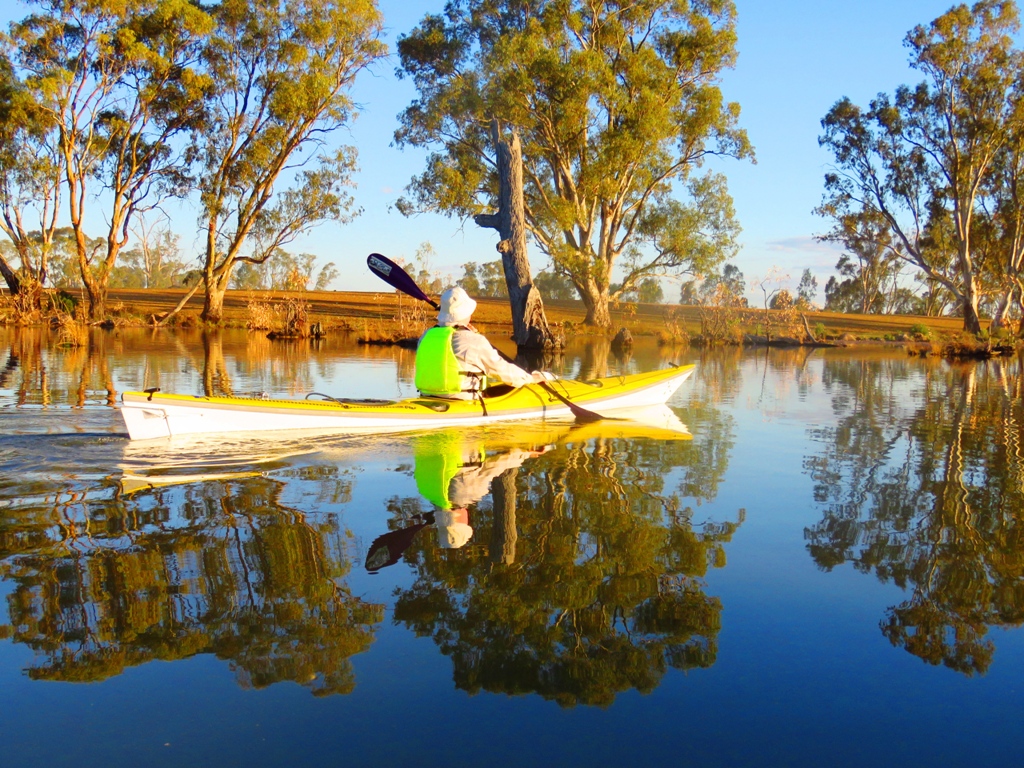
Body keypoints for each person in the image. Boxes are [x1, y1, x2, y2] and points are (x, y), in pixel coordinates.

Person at [415, 286, 546, 399]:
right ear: (467, 313)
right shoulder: (474, 341)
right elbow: (501, 370)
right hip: (463, 400)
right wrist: (530, 378)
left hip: (427, 396)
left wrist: (470, 333)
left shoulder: (426, 335)